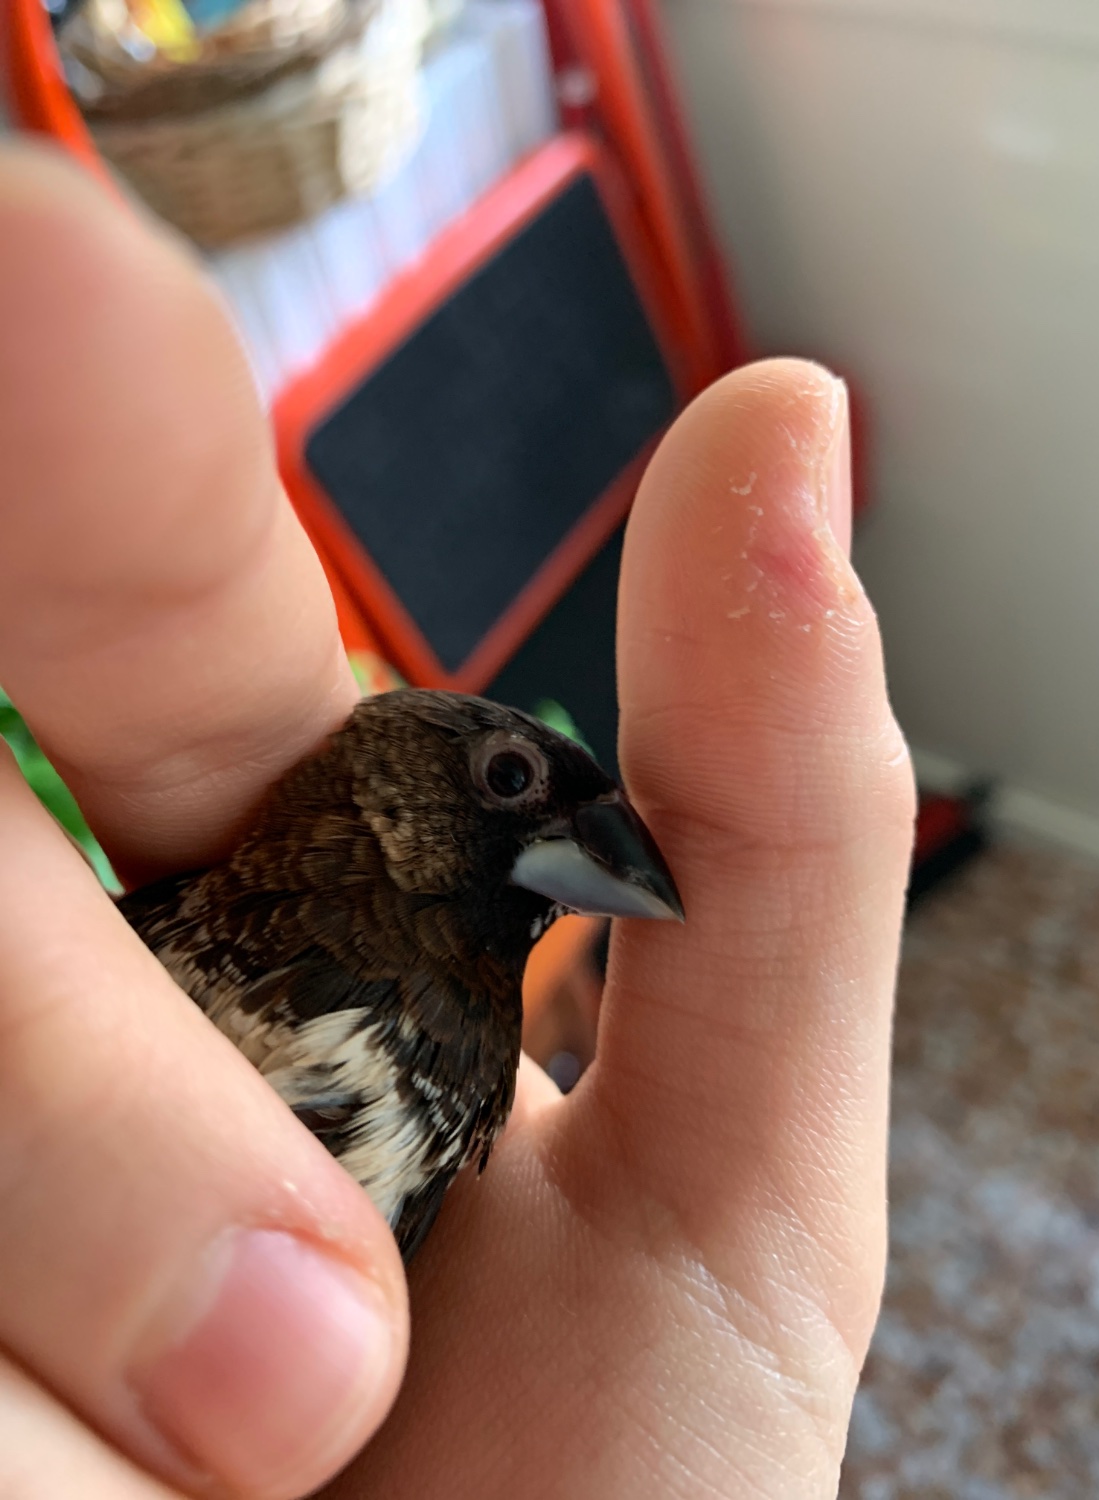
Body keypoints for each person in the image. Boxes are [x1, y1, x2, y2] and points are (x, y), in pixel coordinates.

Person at [0, 143, 915, 1499]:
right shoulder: (205, 928)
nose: (583, 850)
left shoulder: (465, 1083)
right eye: (507, 781)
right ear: (388, 790)